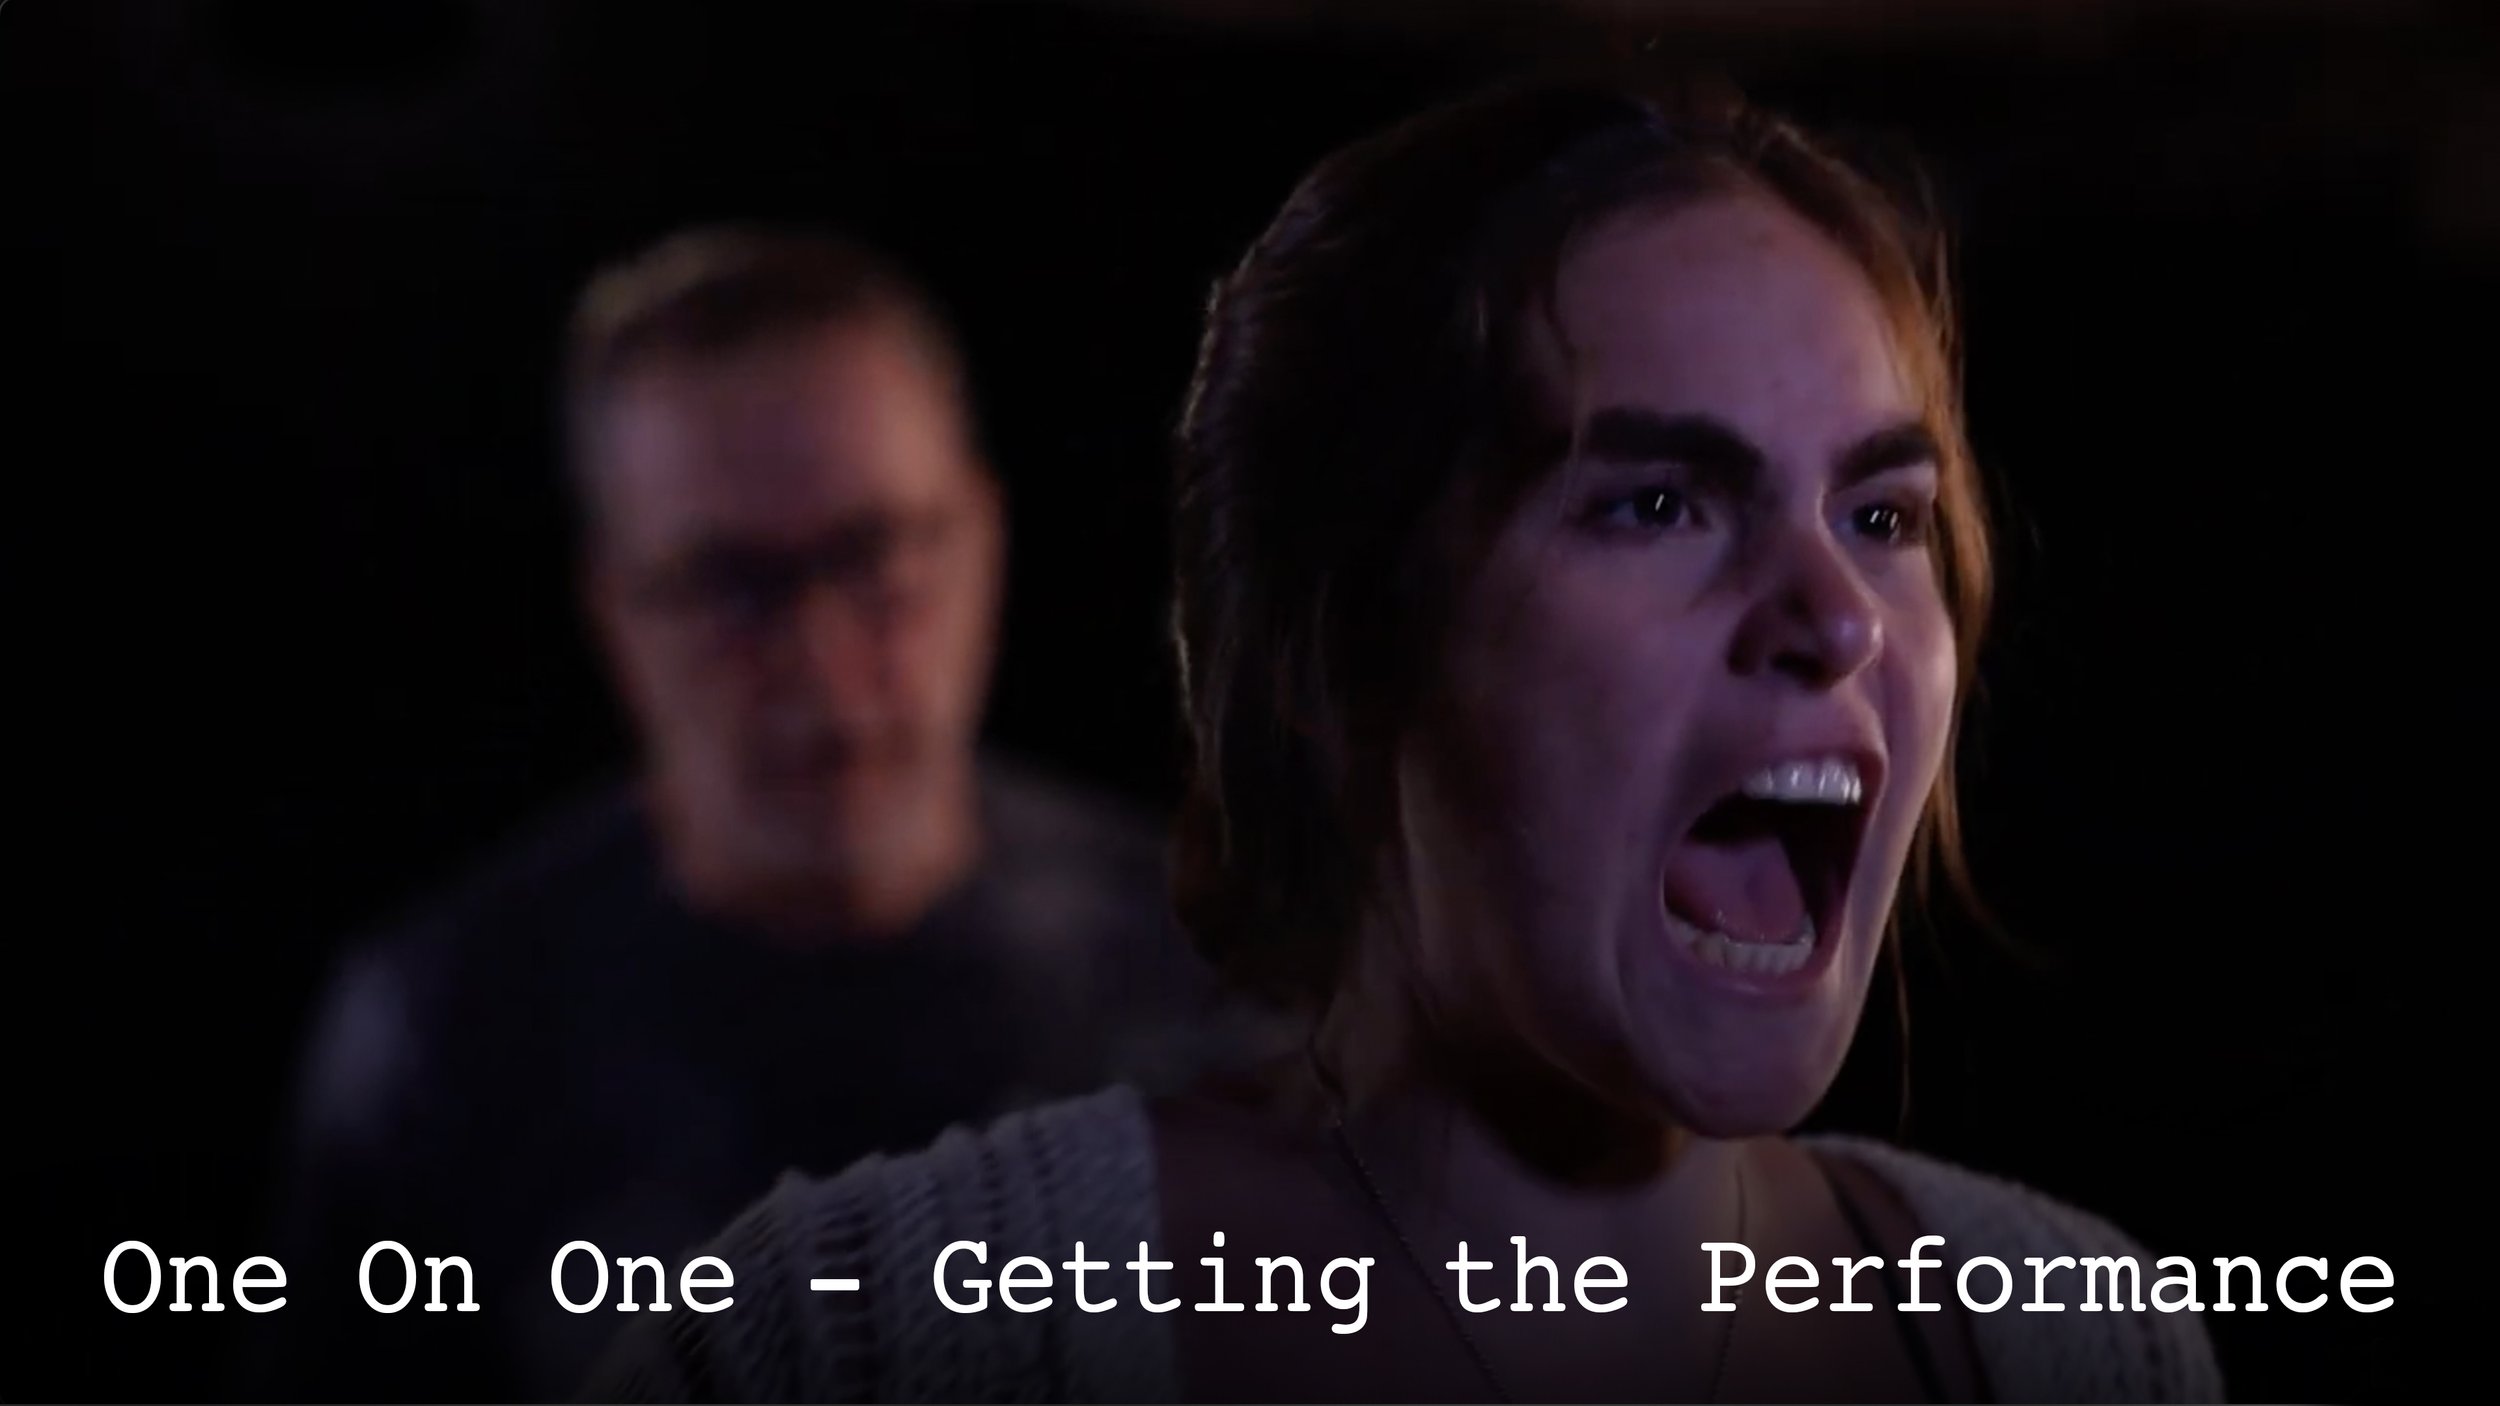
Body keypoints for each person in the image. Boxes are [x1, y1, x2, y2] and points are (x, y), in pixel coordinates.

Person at [584, 80, 2226, 1403]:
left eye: (1882, 514)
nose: (1841, 616)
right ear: (1343, 643)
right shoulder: (860, 1340)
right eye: (1660, 503)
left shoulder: (2080, 1343)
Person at [244, 227, 1269, 1402]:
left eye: (874, 554)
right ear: (615, 613)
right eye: (726, 585)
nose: (820, 663)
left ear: (983, 542)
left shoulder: (1218, 980)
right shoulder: (443, 1038)